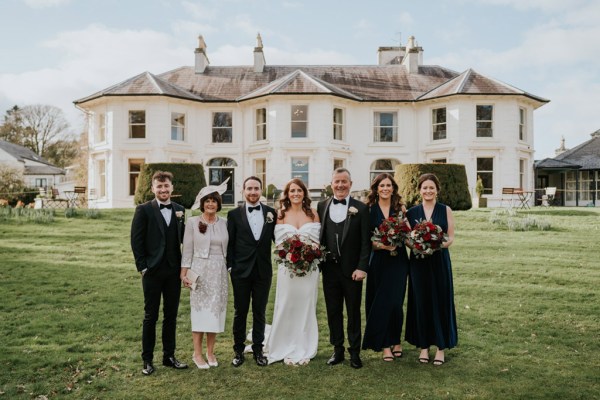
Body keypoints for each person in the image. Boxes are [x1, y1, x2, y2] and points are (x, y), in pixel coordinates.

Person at [130, 171, 188, 375]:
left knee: (171, 316)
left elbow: (184, 240)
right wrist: (143, 267)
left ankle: (169, 356)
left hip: (173, 271)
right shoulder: (143, 210)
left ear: (172, 188)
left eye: (166, 186)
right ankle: (147, 360)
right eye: (159, 186)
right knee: (150, 316)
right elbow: (136, 241)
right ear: (153, 188)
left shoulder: (180, 210)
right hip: (152, 272)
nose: (163, 190)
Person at [317, 168, 371, 369]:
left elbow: (366, 242)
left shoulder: (362, 208)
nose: (340, 185)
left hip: (352, 271)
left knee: (353, 312)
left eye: (344, 182)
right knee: (333, 311)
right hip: (329, 269)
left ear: (351, 183)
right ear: (331, 184)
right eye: (337, 181)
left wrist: (362, 267)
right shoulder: (321, 206)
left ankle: (355, 352)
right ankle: (337, 349)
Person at [266, 178, 321, 365]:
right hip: (287, 268)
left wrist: (309, 254)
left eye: (299, 190)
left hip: (309, 269)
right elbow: (278, 243)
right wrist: (289, 255)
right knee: (287, 303)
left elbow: (318, 242)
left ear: (304, 193)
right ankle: (284, 343)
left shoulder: (313, 214)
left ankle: (304, 345)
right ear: (287, 194)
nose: (296, 194)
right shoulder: (280, 215)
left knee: (306, 304)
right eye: (292, 191)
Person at [405, 173, 458, 366]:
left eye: (431, 188)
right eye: (424, 188)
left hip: (439, 262)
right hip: (418, 264)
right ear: (419, 190)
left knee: (440, 301)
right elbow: (408, 240)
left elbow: (450, 237)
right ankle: (424, 347)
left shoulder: (445, 210)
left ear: (437, 190)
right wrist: (418, 246)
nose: (428, 191)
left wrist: (435, 246)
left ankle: (441, 348)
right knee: (421, 302)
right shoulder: (411, 212)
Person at [227, 176, 276, 367]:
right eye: (249, 188)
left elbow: (278, 239)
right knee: (240, 311)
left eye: (256, 188)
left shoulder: (271, 213)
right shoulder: (233, 215)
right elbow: (230, 243)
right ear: (243, 191)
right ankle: (238, 351)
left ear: (261, 190)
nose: (253, 192)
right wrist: (231, 266)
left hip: (263, 270)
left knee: (260, 311)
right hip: (240, 271)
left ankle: (258, 350)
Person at [180, 179, 229, 369]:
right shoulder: (192, 222)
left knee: (215, 312)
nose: (210, 204)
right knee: (200, 313)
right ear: (202, 203)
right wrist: (184, 274)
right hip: (199, 270)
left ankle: (210, 352)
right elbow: (187, 250)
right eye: (207, 201)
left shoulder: (225, 223)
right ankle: (197, 354)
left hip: (219, 272)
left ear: (218, 204)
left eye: (214, 201)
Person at [362, 173, 410, 362]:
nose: (385, 188)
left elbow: (407, 234)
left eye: (388, 185)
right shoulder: (369, 210)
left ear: (393, 188)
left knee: (396, 303)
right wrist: (381, 245)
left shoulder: (400, 209)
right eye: (382, 185)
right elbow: (366, 239)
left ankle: (396, 340)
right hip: (378, 261)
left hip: (398, 261)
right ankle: (384, 345)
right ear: (376, 188)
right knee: (380, 302)